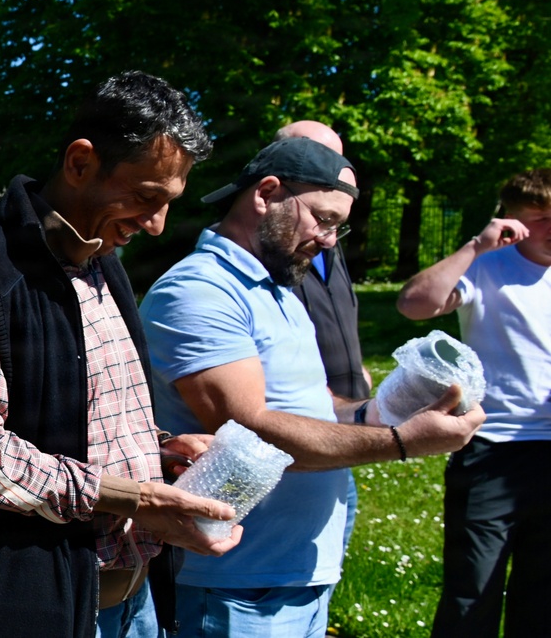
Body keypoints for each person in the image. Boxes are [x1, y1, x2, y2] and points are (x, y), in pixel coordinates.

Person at [0, 71, 242, 638]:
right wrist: (126, 496)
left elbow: (94, 415)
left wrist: (161, 453)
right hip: (24, 608)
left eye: (168, 203)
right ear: (81, 163)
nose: (156, 225)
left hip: (133, 605)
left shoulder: (105, 261)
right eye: (144, 197)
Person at [138, 136, 485, 637]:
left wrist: (381, 412)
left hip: (295, 574)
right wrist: (402, 443)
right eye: (323, 220)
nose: (328, 240)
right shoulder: (199, 291)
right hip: (235, 581)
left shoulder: (277, 288)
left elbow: (309, 406)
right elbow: (252, 434)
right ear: (268, 193)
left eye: (337, 228)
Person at [396, 168, 551, 638]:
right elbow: (413, 304)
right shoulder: (485, 267)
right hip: (491, 448)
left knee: (543, 597)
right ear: (512, 220)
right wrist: (475, 247)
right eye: (540, 219)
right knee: (472, 591)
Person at [276, 121, 371, 600]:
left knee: (323, 577)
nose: (336, 172)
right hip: (300, 437)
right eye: (318, 160)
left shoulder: (326, 241)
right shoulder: (276, 246)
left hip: (341, 431)